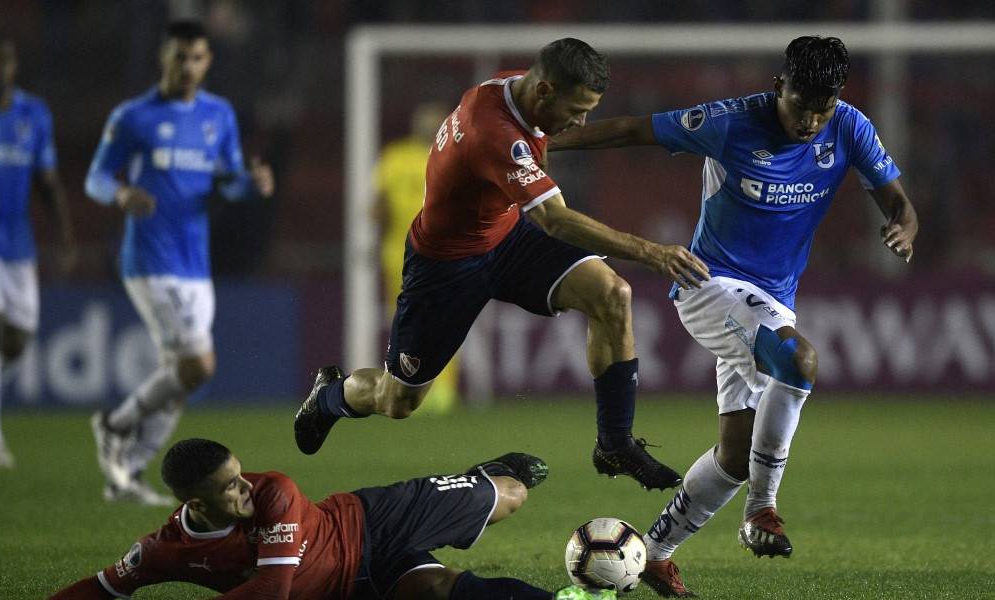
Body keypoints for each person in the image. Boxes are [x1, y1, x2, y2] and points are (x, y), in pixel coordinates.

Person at [548, 36, 919, 596]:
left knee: (735, 456)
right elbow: (634, 131)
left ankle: (654, 554)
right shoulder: (729, 120)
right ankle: (761, 511)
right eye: (802, 107)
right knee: (800, 360)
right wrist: (542, 142)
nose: (811, 121)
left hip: (770, 300)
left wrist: (903, 225)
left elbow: (897, 200)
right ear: (779, 87)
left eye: (822, 109)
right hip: (708, 284)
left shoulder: (849, 125)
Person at [295, 38, 710, 493]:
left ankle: (615, 443)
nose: (581, 120)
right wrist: (651, 252)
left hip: (507, 237)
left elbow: (544, 148)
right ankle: (331, 396)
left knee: (612, 294)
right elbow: (553, 219)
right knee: (398, 400)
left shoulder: (518, 86)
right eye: (578, 108)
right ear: (546, 91)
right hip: (445, 266)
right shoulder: (493, 132)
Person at [84, 20, 274, 505]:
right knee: (198, 364)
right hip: (148, 257)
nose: (187, 67)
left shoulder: (218, 115)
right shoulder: (134, 116)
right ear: (162, 58)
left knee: (182, 378)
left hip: (194, 261)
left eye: (196, 58)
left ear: (207, 61)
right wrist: (122, 191)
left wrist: (250, 182)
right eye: (179, 57)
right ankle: (115, 423)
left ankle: (125, 473)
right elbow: (95, 179)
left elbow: (227, 182)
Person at [49, 438, 615, 600]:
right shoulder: (165, 550)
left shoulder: (274, 493)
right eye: (228, 488)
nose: (246, 487)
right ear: (194, 505)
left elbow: (273, 589)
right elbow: (104, 585)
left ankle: (484, 474)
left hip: (374, 522)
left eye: (240, 474)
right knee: (440, 589)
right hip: (355, 584)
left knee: (513, 494)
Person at [0, 37, 75, 468]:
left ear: (13, 68)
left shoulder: (34, 115)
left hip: (19, 241)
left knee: (17, 336)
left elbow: (47, 182)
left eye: (1, 64)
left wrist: (66, 236)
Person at [373, 102, 460, 414]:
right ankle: (407, 385)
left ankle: (442, 391)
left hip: (445, 251)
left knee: (447, 317)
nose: (430, 126)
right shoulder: (395, 156)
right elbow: (379, 204)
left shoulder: (454, 153)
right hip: (400, 252)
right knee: (408, 321)